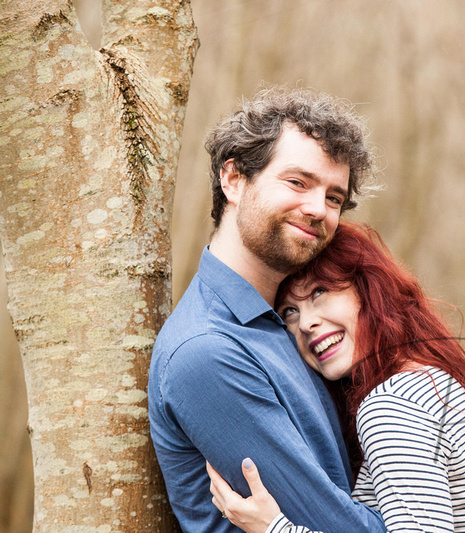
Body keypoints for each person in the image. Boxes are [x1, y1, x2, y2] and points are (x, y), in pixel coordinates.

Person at [148, 86, 386, 532]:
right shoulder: (208, 352)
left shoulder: (294, 326)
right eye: (298, 182)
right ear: (233, 179)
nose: (318, 209)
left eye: (334, 197)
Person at [207, 222, 465, 533]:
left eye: (319, 292)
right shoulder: (426, 379)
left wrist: (273, 528)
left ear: (368, 292)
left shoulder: (392, 404)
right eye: (289, 311)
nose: (306, 323)